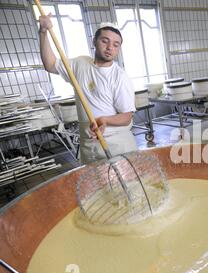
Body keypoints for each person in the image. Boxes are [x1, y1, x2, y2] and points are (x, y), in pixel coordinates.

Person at [38, 15, 138, 164]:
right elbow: (50, 64)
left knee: (125, 185)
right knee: (95, 186)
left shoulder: (119, 77)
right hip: (89, 145)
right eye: (105, 41)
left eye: (116, 44)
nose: (110, 47)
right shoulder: (80, 64)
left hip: (117, 144)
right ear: (95, 42)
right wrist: (43, 32)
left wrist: (104, 120)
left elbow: (127, 117)